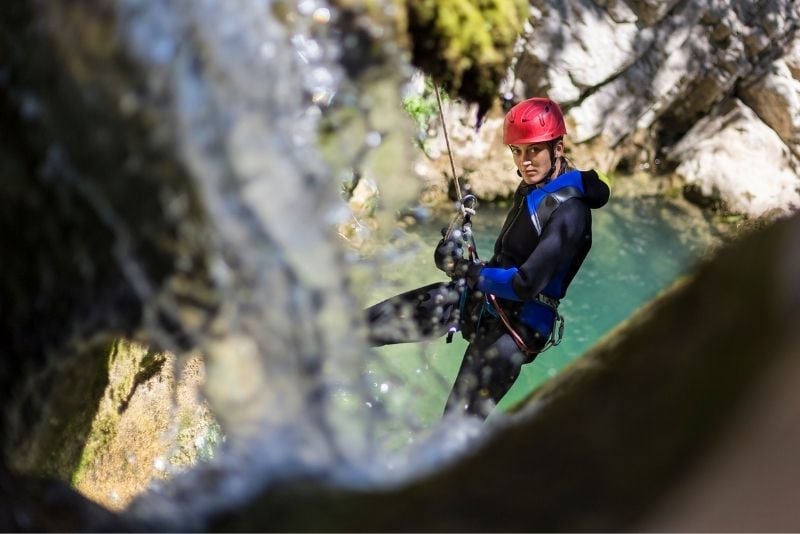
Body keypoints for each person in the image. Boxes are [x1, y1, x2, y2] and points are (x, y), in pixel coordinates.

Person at [367, 97, 610, 419]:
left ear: (558, 148)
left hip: (516, 330)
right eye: (517, 151)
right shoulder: (533, 187)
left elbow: (525, 283)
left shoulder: (571, 212)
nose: (524, 161)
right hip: (486, 301)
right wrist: (459, 255)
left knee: (454, 429)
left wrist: (465, 270)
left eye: (534, 150)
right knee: (366, 326)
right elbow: (508, 261)